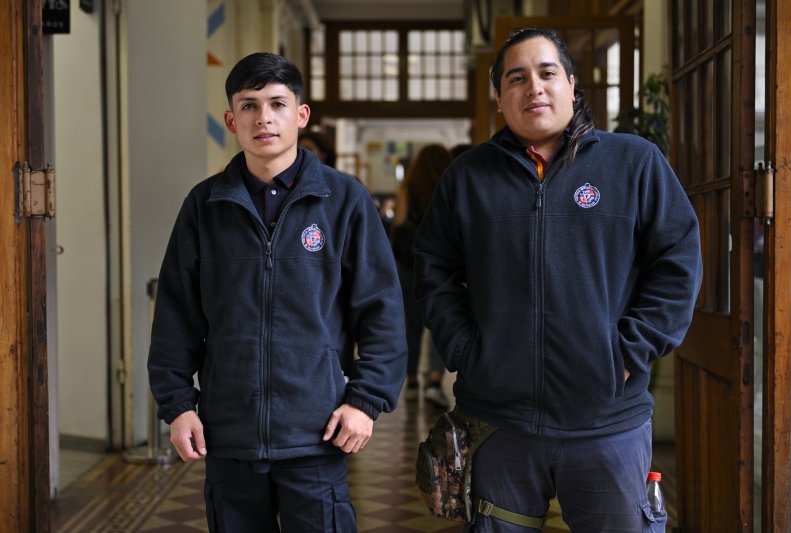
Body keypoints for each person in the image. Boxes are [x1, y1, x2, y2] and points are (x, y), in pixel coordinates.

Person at [413, 28, 702, 532]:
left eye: (547, 73)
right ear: (498, 96)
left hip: (606, 422)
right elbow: (432, 268)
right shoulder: (467, 177)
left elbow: (678, 261)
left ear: (570, 83)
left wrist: (629, 351)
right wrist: (466, 350)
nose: (534, 87)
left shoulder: (633, 162)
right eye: (516, 78)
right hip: (499, 423)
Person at [147, 52, 407, 532]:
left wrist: (365, 401)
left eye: (277, 103)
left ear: (301, 115)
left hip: (317, 433)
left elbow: (382, 311)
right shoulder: (204, 206)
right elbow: (175, 316)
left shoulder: (344, 201)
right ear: (231, 121)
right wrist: (178, 406)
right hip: (229, 436)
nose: (263, 117)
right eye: (248, 105)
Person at [390, 144, 451, 408]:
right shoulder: (449, 185)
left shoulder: (408, 188)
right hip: (442, 265)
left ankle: (413, 382)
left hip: (410, 265)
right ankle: (434, 382)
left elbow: (399, 223)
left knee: (411, 327)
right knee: (441, 323)